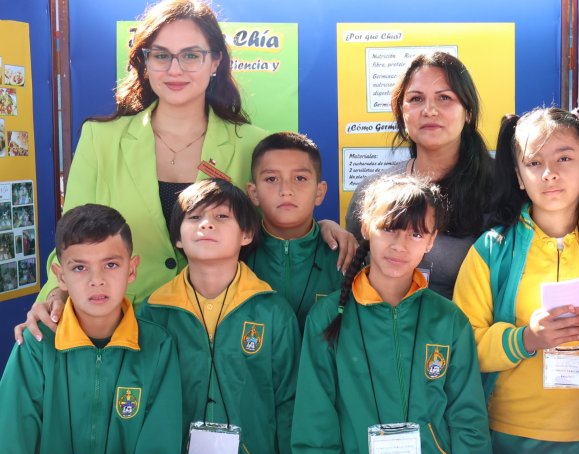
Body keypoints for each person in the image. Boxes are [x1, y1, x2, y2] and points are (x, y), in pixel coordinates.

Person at [14, 0, 354, 343]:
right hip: (126, 332)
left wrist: (320, 226)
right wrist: (56, 295)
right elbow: (72, 240)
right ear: (145, 62)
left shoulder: (254, 144)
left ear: (216, 61)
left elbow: (277, 221)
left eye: (191, 55)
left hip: (223, 335)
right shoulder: (101, 140)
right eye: (161, 55)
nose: (175, 69)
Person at [292, 174, 492, 454]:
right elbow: (314, 417)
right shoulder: (327, 318)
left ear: (431, 240)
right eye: (390, 229)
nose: (400, 245)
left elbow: (468, 416)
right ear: (367, 226)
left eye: (416, 234)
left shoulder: (448, 319)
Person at [452, 107, 579, 454]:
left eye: (564, 158)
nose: (549, 173)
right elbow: (463, 346)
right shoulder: (492, 250)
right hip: (510, 437)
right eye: (533, 162)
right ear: (517, 175)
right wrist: (525, 339)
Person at [137, 179, 300, 454]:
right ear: (178, 237)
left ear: (246, 234)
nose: (206, 224)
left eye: (222, 216)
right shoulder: (153, 314)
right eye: (194, 218)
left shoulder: (272, 311)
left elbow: (290, 406)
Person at [0, 204, 183, 454]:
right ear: (60, 276)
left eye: (111, 264)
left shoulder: (157, 346)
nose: (96, 280)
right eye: (79, 267)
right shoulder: (36, 345)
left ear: (132, 269)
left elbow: (158, 449)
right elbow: (11, 442)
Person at [344, 51, 495, 299]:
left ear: (467, 112)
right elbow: (351, 270)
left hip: (465, 335)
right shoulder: (373, 191)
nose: (429, 110)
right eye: (416, 99)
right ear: (401, 113)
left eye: (444, 98)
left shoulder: (501, 188)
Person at [245, 132, 344, 330]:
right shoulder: (235, 257)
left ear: (319, 192)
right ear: (253, 193)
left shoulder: (345, 258)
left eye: (300, 178)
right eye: (272, 179)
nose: (286, 190)